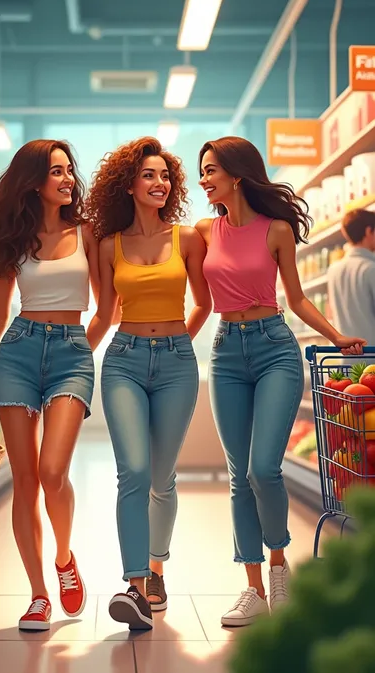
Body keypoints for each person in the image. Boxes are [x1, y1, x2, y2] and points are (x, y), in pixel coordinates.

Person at [195, 136, 366, 628]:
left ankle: (278, 567)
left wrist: (336, 336)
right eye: (201, 171)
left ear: (237, 175)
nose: (203, 179)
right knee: (237, 476)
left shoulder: (277, 229)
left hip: (274, 349)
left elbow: (295, 298)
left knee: (263, 469)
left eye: (210, 170)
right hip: (226, 351)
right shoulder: (205, 231)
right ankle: (250, 589)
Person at [0, 140, 98, 631]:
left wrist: (79, 345)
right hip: (17, 353)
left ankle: (65, 559)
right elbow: (1, 312)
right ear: (34, 182)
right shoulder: (15, 240)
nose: (67, 179)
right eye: (56, 172)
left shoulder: (88, 232)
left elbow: (107, 306)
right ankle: (39, 594)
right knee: (23, 481)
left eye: (69, 170)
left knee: (51, 471)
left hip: (71, 352)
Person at [85, 136, 211, 630]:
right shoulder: (107, 245)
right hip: (123, 362)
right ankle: (134, 586)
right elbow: (103, 313)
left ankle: (157, 567)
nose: (160, 183)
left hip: (177, 363)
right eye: (149, 175)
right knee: (133, 471)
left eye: (165, 176)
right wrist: (70, 362)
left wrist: (180, 341)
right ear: (129, 185)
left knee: (162, 477)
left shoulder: (188, 239)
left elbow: (203, 302)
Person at [328, 208, 375, 346]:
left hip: (344, 358)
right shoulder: (370, 268)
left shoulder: (333, 270)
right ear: (368, 231)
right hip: (371, 359)